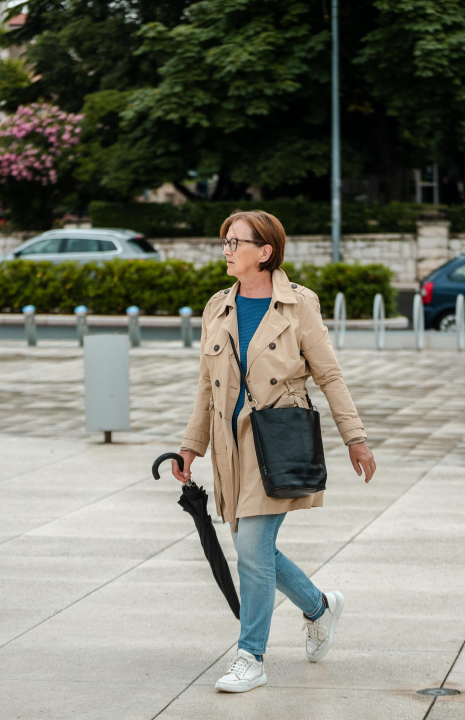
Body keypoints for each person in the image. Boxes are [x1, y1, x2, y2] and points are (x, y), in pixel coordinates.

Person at [173, 209, 377, 693]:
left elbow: (328, 374)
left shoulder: (299, 304)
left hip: (277, 441)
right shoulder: (216, 307)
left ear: (264, 252)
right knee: (256, 549)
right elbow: (207, 385)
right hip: (229, 445)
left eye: (234, 243)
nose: (226, 250)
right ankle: (319, 607)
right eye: (224, 242)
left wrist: (355, 436)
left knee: (251, 548)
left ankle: (252, 657)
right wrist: (190, 446)